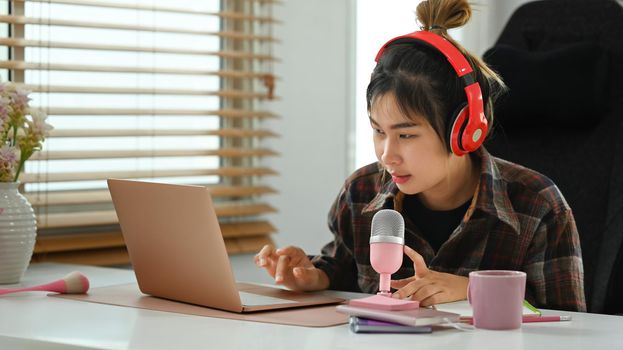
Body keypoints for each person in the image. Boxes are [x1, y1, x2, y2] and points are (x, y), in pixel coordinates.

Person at [255, 0, 586, 312]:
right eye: (378, 131)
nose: (388, 154)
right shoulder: (361, 193)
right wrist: (315, 275)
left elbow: (573, 328)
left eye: (406, 135)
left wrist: (473, 290)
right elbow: (344, 269)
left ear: (464, 129)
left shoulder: (538, 205)